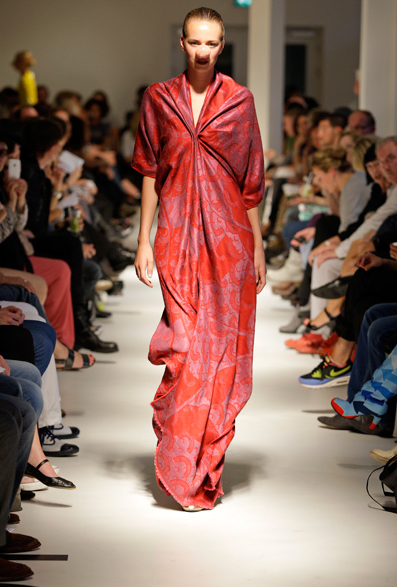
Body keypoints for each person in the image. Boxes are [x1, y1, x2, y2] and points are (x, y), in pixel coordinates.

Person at [132, 7, 265, 511]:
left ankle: (199, 470)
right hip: (177, 235)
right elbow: (149, 170)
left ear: (222, 44)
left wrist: (259, 247)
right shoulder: (159, 98)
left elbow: (251, 182)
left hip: (230, 240)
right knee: (186, 347)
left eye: (211, 43)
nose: (202, 51)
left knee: (219, 356)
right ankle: (178, 464)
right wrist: (143, 239)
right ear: (182, 43)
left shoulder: (239, 101)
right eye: (194, 42)